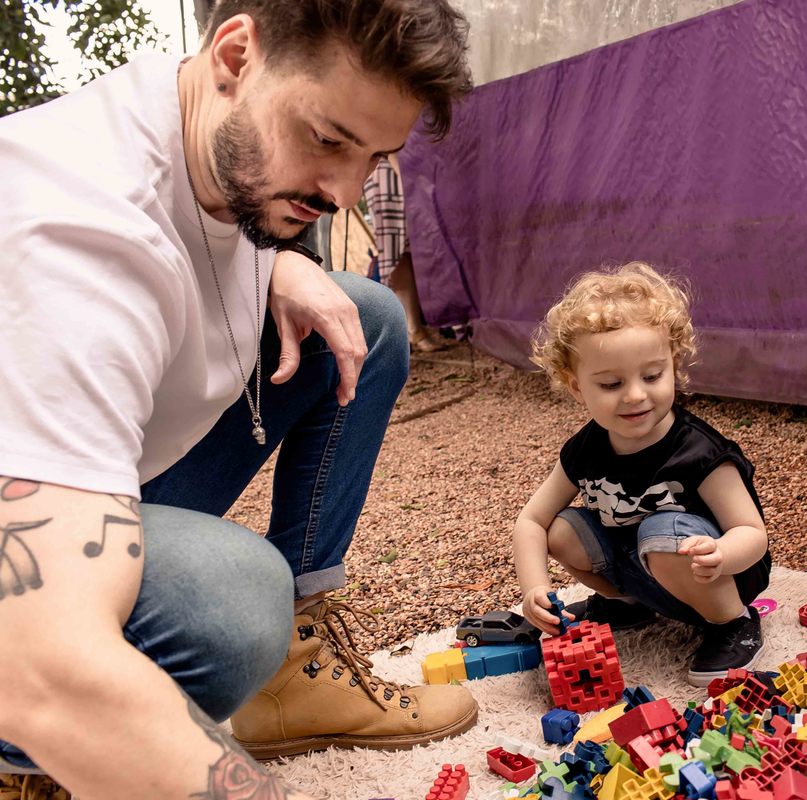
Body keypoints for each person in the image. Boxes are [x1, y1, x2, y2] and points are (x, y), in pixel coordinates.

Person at [0, 2, 475, 798]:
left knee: (366, 319)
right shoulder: (75, 238)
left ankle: (294, 674)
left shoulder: (209, 134)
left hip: (86, 462)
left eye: (375, 158)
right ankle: (25, 766)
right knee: (230, 603)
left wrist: (282, 268)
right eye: (327, 140)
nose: (344, 192)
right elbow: (42, 665)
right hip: (25, 548)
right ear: (234, 56)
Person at [513, 262, 772, 687]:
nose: (636, 395)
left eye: (652, 376)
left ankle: (733, 624)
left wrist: (722, 554)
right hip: (647, 567)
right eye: (611, 384)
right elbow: (531, 521)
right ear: (577, 387)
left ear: (674, 365)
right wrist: (534, 590)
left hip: (715, 574)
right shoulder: (587, 449)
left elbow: (752, 533)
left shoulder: (699, 452)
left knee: (661, 529)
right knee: (560, 529)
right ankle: (631, 603)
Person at [364, 154, 446, 352]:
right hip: (388, 170)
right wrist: (405, 176)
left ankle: (412, 329)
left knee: (411, 250)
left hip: (411, 168)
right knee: (395, 251)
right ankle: (411, 329)